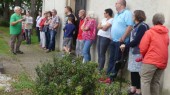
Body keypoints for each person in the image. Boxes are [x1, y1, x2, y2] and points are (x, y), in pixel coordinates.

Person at [104, 0, 134, 83]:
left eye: (116, 3)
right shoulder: (117, 14)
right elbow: (115, 26)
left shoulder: (127, 13)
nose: (115, 4)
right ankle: (108, 75)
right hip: (113, 40)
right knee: (111, 58)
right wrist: (111, 36)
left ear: (121, 5)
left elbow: (130, 26)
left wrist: (123, 37)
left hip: (121, 41)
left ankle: (112, 78)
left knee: (117, 59)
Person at [120, 10, 149, 95]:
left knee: (137, 71)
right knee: (133, 70)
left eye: (133, 15)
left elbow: (137, 40)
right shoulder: (135, 26)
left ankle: (138, 90)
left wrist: (126, 45)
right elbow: (132, 39)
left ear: (137, 16)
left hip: (139, 52)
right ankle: (133, 88)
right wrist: (126, 44)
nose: (132, 17)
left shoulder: (143, 26)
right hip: (133, 51)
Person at [139, 13, 169, 95]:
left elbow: (142, 47)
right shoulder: (166, 34)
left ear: (153, 21)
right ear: (162, 21)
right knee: (155, 82)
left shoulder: (150, 32)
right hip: (163, 61)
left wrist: (143, 56)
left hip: (151, 60)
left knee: (145, 81)